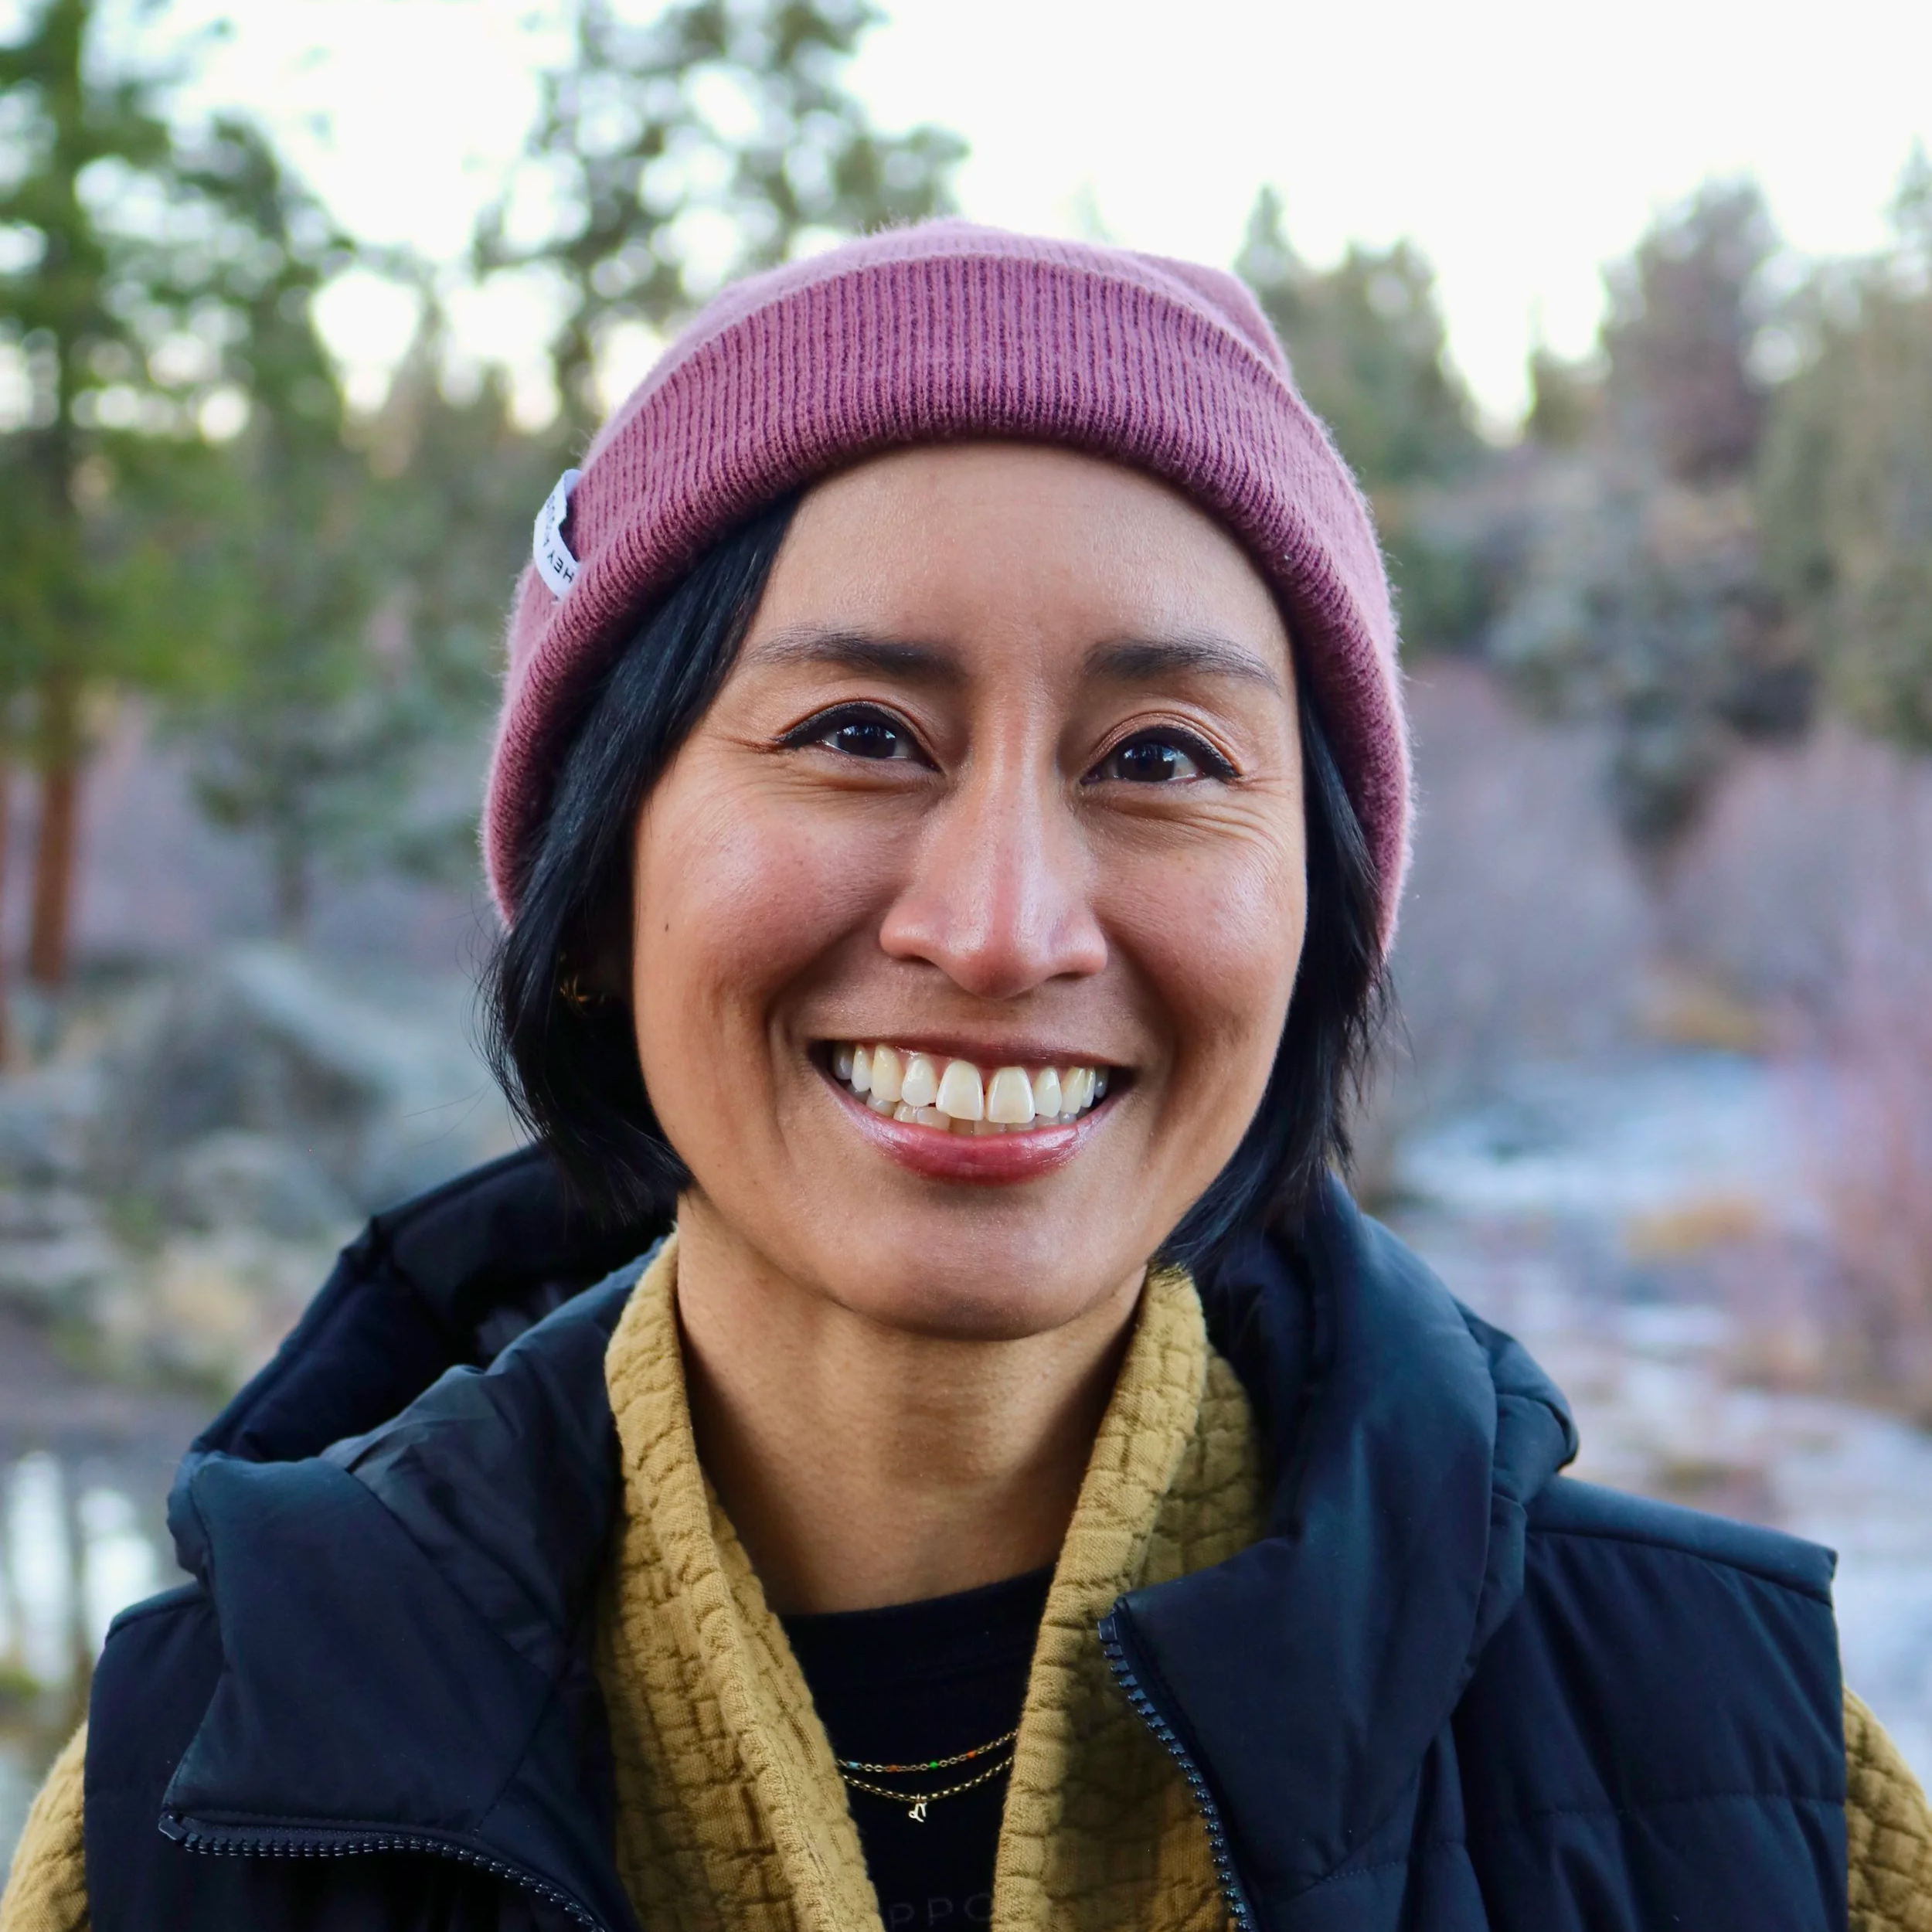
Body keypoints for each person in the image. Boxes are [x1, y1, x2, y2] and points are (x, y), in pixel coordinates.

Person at [4, 223, 1929, 1932]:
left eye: (1162, 757)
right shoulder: (198, 1806)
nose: (1005, 928)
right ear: (596, 885)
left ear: (1316, 914)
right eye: (859, 731)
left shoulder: (1743, 1777)